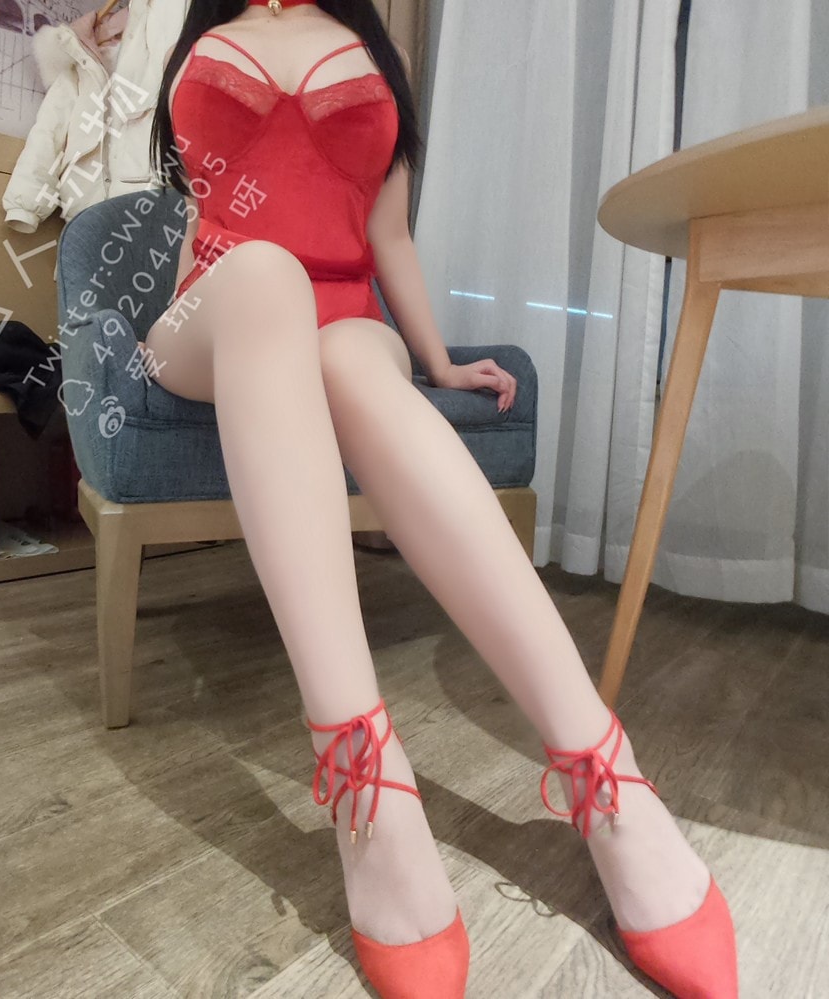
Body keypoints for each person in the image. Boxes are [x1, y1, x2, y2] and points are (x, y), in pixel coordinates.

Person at [142, 2, 738, 997]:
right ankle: (366, 789)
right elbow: (204, 207)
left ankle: (603, 773)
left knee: (356, 364)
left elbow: (389, 238)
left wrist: (441, 361)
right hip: (218, 309)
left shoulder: (375, 52)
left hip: (347, 317)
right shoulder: (203, 30)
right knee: (264, 275)